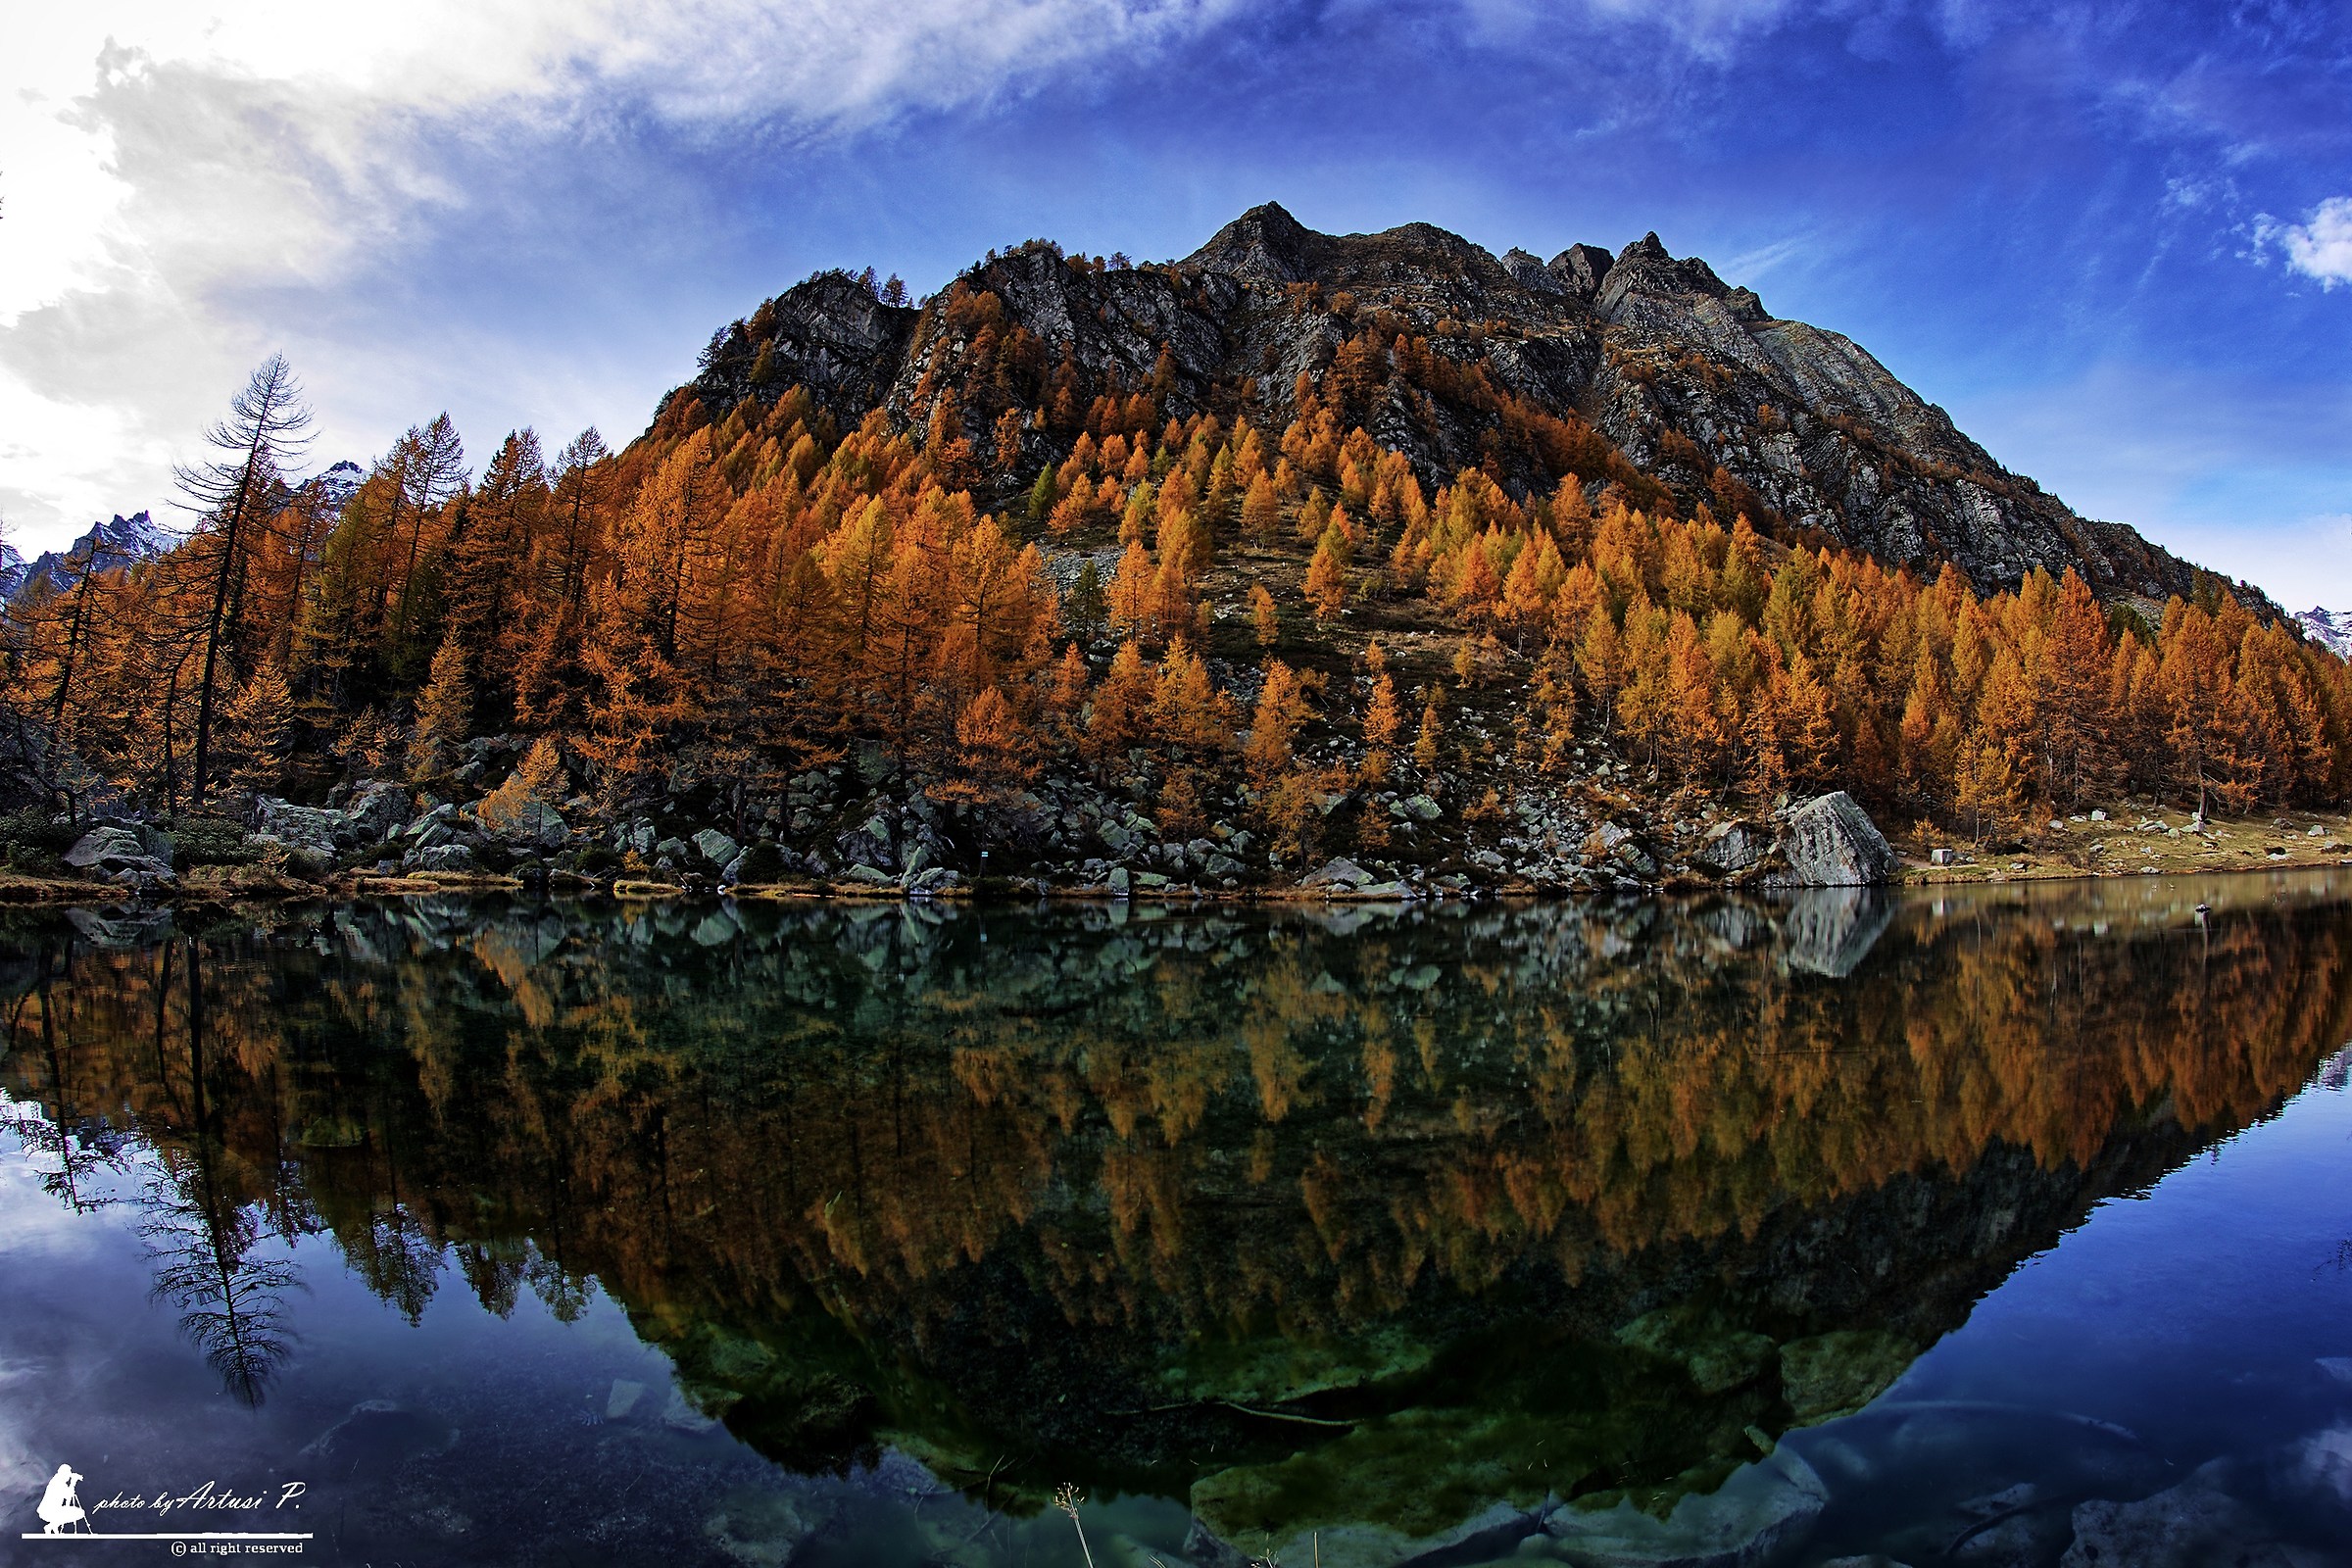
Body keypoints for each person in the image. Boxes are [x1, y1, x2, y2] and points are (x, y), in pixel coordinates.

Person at [37, 1464, 86, 1535]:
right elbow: (69, 1495)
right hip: (49, 1511)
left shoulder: (57, 1481)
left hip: (53, 1510)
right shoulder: (58, 1483)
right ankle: (51, 1527)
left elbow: (68, 1500)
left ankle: (53, 1527)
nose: (69, 1475)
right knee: (79, 1513)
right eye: (68, 1473)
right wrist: (73, 1482)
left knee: (76, 1512)